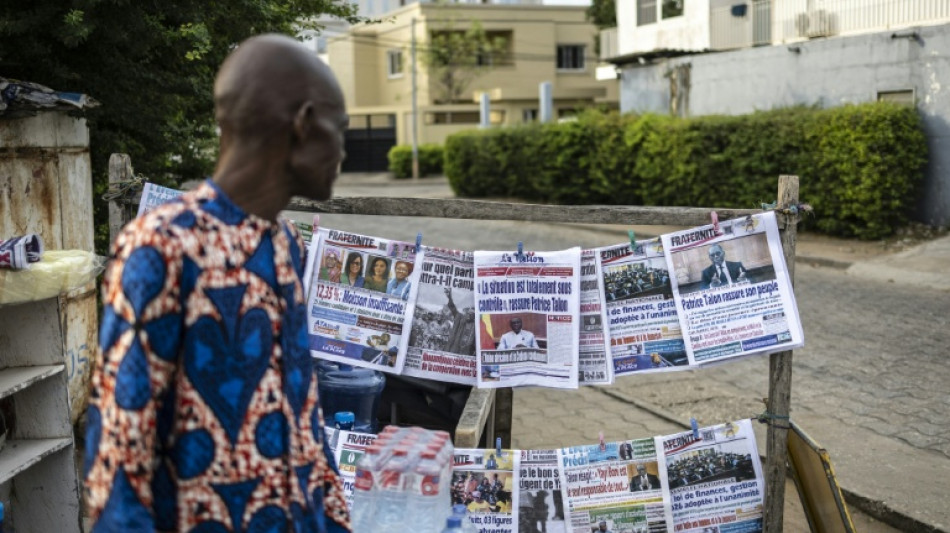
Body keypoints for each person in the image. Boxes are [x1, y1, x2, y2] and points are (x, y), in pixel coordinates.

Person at [84, 34, 351, 532]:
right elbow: (120, 458)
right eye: (341, 129)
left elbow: (303, 417)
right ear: (304, 124)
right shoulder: (162, 246)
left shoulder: (285, 244)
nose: (344, 150)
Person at [445, 287, 477, 355]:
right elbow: (452, 308)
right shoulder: (459, 317)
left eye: (472, 314)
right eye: (468, 312)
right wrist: (449, 297)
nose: (469, 314)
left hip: (465, 353)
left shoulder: (475, 325)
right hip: (452, 349)